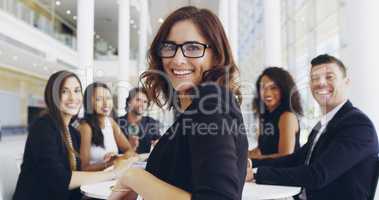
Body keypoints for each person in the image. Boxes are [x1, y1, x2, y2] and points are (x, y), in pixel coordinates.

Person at [108, 6, 248, 200]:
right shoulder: (198, 107)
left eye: (193, 48)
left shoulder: (211, 100)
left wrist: (134, 177)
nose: (177, 59)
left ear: (216, 56)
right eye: (169, 47)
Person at [248, 54, 379, 200]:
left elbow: (317, 175)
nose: (320, 83)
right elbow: (295, 159)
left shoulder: (357, 125)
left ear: (346, 82)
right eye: (315, 78)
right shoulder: (323, 124)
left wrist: (256, 174)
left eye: (329, 77)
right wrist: (250, 163)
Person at [13, 71, 134, 200]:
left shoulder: (72, 132)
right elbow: (59, 179)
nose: (73, 98)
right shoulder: (43, 127)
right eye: (64, 91)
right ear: (52, 96)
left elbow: (75, 178)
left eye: (77, 91)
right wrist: (114, 172)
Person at [249, 67, 303, 160]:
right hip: (266, 168)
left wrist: (256, 158)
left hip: (282, 171)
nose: (267, 93)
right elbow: (261, 150)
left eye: (273, 88)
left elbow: (285, 156)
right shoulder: (265, 116)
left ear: (284, 89)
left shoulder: (287, 116)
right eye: (263, 88)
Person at [79, 82, 135, 171]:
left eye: (108, 98)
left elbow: (129, 150)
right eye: (99, 99)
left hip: (111, 177)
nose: (105, 103)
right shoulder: (86, 127)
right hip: (94, 181)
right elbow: (84, 167)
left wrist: (117, 157)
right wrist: (111, 163)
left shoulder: (111, 123)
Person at [117, 87, 161, 154]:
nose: (142, 104)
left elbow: (159, 140)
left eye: (145, 102)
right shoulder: (116, 123)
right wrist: (129, 146)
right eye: (138, 100)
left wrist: (159, 144)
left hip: (143, 163)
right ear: (129, 102)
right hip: (122, 161)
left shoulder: (152, 123)